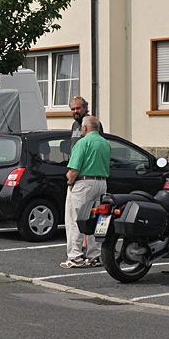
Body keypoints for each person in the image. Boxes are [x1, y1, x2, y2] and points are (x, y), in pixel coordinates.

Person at [62, 115, 110, 268]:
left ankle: (75, 256)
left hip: (83, 183)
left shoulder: (82, 143)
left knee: (75, 219)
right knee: (95, 220)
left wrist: (70, 181)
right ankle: (94, 255)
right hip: (101, 183)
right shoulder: (105, 143)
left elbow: (74, 169)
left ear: (84, 128)